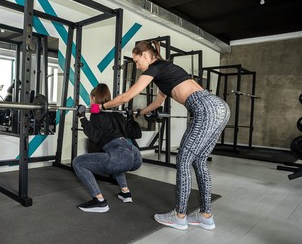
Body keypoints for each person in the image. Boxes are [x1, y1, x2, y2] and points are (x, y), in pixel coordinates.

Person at [90, 40, 230, 229]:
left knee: (183, 161)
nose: (137, 67)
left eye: (137, 61)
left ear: (146, 56)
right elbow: (157, 103)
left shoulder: (154, 68)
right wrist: (141, 113)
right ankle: (206, 215)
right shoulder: (166, 69)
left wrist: (100, 107)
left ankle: (179, 216)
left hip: (204, 109)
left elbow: (126, 97)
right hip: (219, 107)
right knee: (199, 161)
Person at [73, 83, 142, 213]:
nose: (90, 101)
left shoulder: (96, 113)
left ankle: (99, 201)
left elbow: (95, 136)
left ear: (94, 98)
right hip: (135, 155)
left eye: (90, 98)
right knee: (116, 161)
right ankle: (125, 193)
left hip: (120, 154)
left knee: (78, 162)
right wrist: (131, 118)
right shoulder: (116, 112)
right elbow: (136, 134)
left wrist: (82, 117)